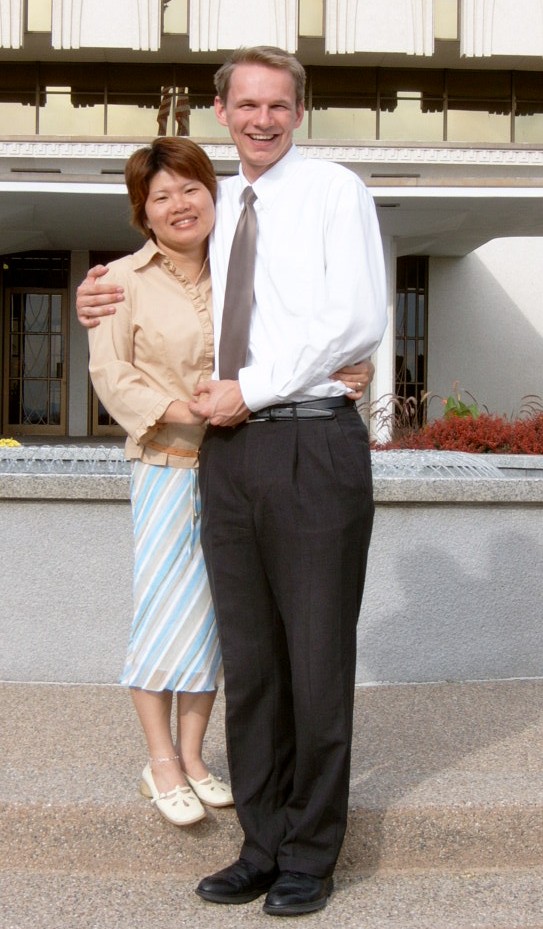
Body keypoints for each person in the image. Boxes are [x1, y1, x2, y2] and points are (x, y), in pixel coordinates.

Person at [77, 45, 386, 917]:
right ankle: (260, 841)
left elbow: (357, 316)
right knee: (250, 663)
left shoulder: (331, 192)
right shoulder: (218, 211)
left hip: (310, 446)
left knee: (316, 662)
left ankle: (310, 854)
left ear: (298, 111)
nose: (261, 119)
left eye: (277, 106)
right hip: (229, 456)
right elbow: (154, 273)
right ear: (220, 112)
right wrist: (91, 293)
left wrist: (252, 387)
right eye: (245, 104)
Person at [87, 136, 235, 827]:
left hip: (239, 470)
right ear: (143, 213)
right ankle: (160, 760)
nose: (179, 204)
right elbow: (111, 376)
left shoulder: (242, 269)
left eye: (190, 188)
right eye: (161, 195)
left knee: (214, 618)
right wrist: (181, 410)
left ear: (212, 192)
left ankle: (195, 755)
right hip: (167, 468)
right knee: (162, 613)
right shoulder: (118, 280)